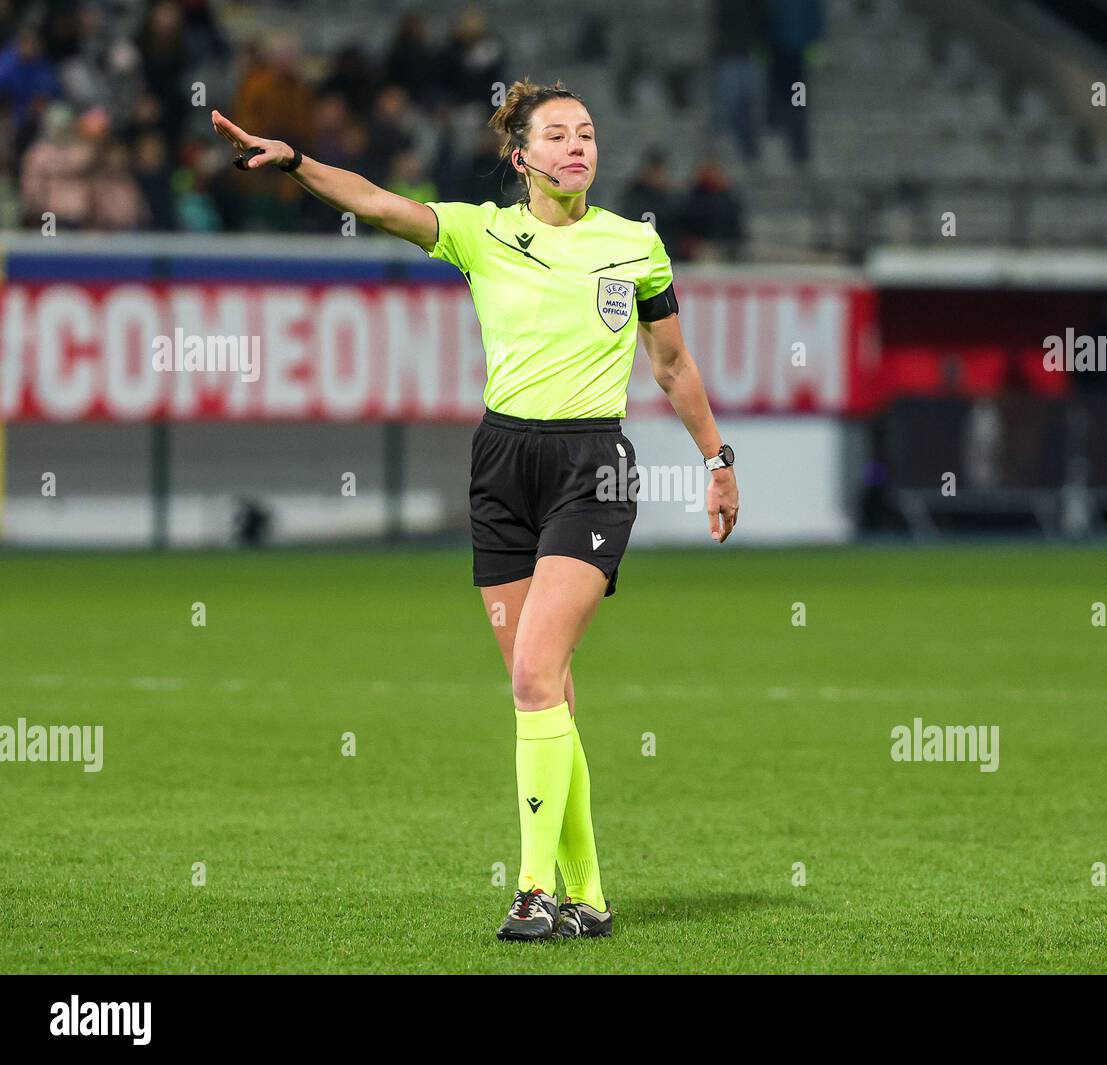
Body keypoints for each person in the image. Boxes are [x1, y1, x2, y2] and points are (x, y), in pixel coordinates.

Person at [209, 77, 739, 941]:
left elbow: (674, 367)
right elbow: (378, 202)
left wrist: (717, 460)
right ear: (522, 156)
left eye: (589, 133)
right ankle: (591, 896)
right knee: (546, 688)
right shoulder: (481, 232)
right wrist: (296, 161)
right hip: (500, 467)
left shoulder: (635, 247)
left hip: (590, 467)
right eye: (560, 134)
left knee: (535, 676)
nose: (580, 147)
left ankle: (532, 887)